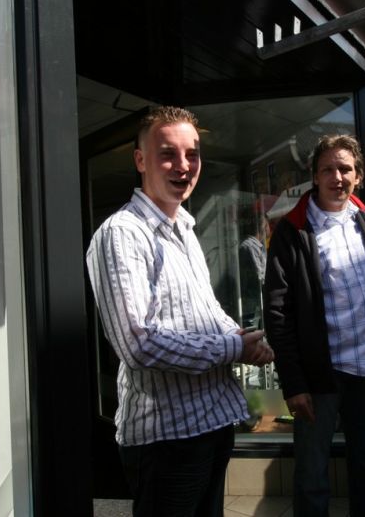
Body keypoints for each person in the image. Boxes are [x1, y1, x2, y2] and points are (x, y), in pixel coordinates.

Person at [86, 106, 274, 517]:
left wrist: (240, 336)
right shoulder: (122, 234)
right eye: (168, 154)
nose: (184, 165)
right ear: (140, 161)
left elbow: (204, 308)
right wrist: (233, 348)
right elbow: (138, 344)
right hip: (168, 438)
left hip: (212, 422)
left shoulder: (184, 228)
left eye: (192, 154)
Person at [264, 134, 365, 517]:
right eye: (328, 169)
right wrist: (294, 383)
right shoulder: (291, 231)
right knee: (311, 475)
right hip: (319, 376)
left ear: (358, 175)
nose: (337, 177)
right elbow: (277, 312)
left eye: (345, 169)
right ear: (315, 176)